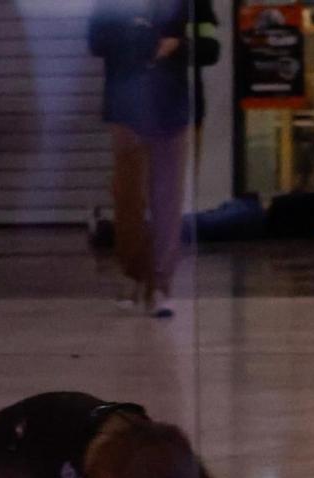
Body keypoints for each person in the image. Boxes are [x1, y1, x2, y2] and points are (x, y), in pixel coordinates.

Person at [88, 0, 222, 318]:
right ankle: (134, 274)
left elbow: (211, 49)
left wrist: (178, 45)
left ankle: (162, 284)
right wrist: (137, 41)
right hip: (126, 107)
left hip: (174, 107)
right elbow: (96, 41)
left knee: (167, 199)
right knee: (129, 197)